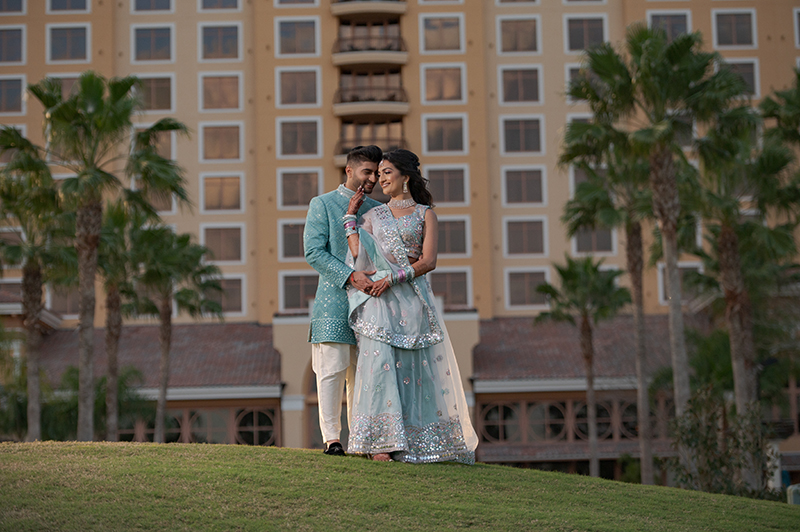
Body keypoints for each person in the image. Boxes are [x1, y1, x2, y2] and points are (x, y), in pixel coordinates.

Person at [343, 149, 478, 464]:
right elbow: (360, 256)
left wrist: (393, 278)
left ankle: (415, 442)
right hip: (379, 302)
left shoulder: (425, 213)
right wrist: (351, 218)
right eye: (379, 173)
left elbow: (428, 261)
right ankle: (380, 444)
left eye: (387, 172)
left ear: (405, 175)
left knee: (413, 372)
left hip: (412, 300)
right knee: (379, 368)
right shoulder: (374, 215)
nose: (380, 179)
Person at [303, 145, 383, 456]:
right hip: (333, 302)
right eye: (367, 172)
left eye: (376, 173)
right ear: (349, 171)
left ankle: (360, 441)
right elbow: (313, 252)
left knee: (363, 376)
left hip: (371, 304)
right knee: (331, 371)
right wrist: (350, 277)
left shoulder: (378, 211)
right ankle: (333, 440)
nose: (373, 178)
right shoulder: (322, 204)